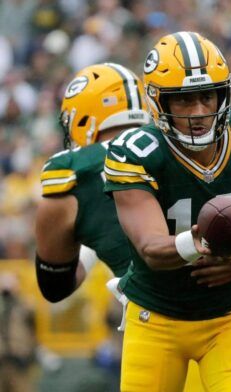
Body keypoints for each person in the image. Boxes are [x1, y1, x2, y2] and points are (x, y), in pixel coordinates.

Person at [103, 31, 231, 391]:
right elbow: (152, 249)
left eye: (207, 97)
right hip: (156, 317)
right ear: (159, 102)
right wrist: (204, 244)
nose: (199, 113)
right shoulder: (137, 152)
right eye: (184, 101)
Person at [35, 63, 150, 303]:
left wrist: (88, 242)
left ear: (83, 116)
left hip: (154, 324)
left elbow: (55, 287)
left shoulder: (74, 171)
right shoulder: (180, 141)